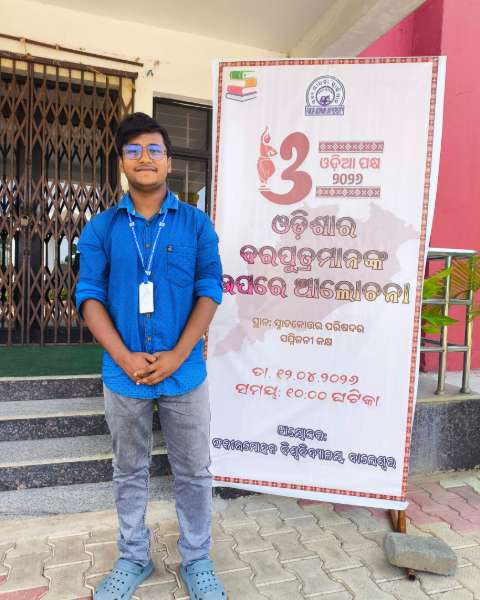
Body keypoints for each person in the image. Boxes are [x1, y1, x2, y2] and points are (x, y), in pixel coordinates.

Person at [76, 112, 226, 599]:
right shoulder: (101, 229)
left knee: (194, 471)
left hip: (185, 373)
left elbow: (210, 289)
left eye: (154, 149)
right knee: (128, 470)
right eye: (134, 149)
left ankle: (197, 559)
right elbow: (89, 296)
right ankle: (134, 556)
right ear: (122, 162)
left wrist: (180, 353)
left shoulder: (196, 224)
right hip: (124, 376)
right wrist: (123, 356)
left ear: (169, 161)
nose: (145, 157)